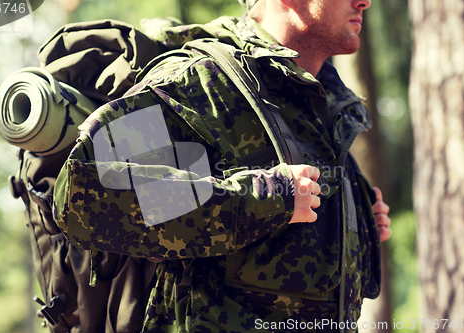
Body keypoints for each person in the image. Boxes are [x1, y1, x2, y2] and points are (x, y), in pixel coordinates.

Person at [53, 0, 392, 331]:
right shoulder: (199, 82)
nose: (365, 2)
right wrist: (264, 200)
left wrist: (356, 223)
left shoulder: (327, 101)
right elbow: (83, 196)